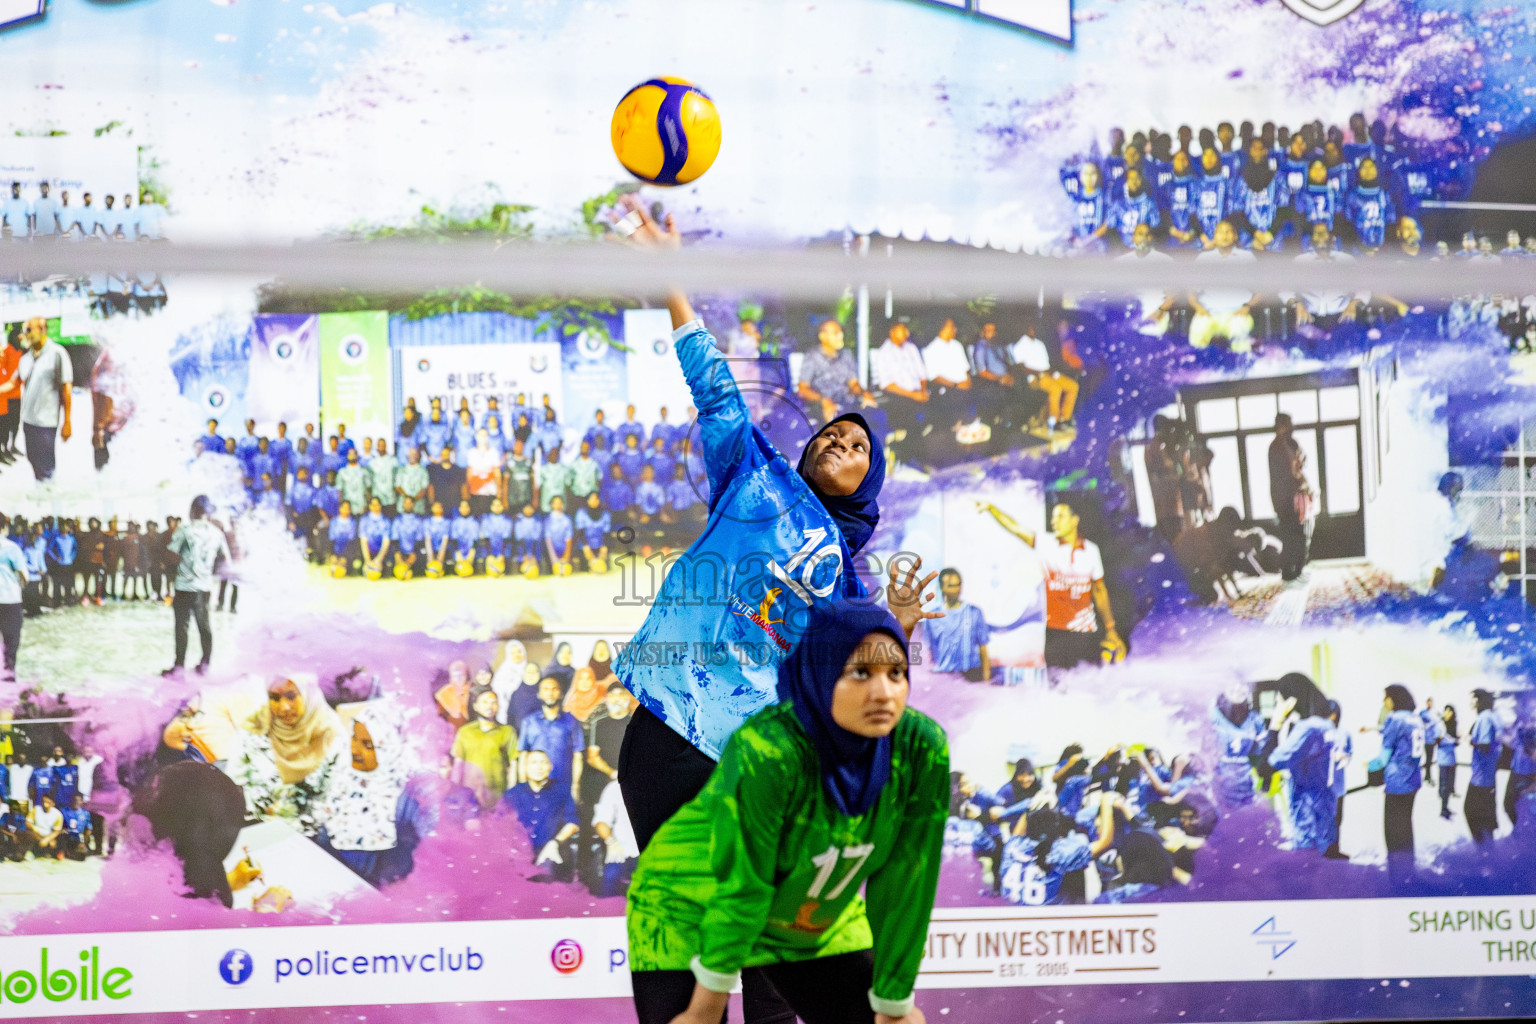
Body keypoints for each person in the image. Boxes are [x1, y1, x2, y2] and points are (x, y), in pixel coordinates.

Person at [609, 199, 938, 1020]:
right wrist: (668, 274)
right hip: (663, 736)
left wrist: (899, 625)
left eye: (861, 446)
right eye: (834, 433)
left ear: (872, 484)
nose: (842, 443)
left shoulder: (849, 588)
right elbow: (713, 383)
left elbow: (866, 694)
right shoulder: (752, 474)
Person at [625, 602, 946, 1024]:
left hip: (802, 902)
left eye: (896, 673)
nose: (884, 693)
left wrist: (894, 1003)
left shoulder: (921, 746)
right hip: (682, 899)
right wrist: (706, 1006)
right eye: (861, 673)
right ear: (820, 675)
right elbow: (746, 883)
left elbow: (907, 883)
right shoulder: (769, 749)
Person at [978, 499, 1124, 669]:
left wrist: (1110, 628)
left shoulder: (1091, 551)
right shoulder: (1046, 544)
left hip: (1085, 634)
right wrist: (991, 508)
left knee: (1086, 686)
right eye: (1053, 517)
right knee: (1057, 689)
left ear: (1074, 520)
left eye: (1060, 516)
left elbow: (1099, 591)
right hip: (1056, 634)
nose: (1054, 521)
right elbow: (1015, 528)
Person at [315, 700, 426, 887]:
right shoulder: (343, 782)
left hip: (381, 895)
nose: (356, 750)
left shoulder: (406, 797)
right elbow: (324, 841)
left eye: (367, 744)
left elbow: (420, 863)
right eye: (355, 739)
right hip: (335, 883)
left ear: (388, 748)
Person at [230, 673, 344, 831]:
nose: (284, 707)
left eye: (291, 696)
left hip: (314, 839)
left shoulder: (331, 734)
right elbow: (234, 785)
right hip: (257, 830)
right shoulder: (254, 728)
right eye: (275, 698)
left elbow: (337, 800)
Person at [163, 496, 231, 677]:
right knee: (204, 625)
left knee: (182, 626)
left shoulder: (184, 530)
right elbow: (225, 559)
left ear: (192, 511)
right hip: (205, 586)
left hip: (184, 585)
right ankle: (205, 664)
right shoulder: (217, 533)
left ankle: (179, 666)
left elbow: (171, 554)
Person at [1265, 683, 1337, 855]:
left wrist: (1275, 724)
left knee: (1307, 856)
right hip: (1323, 798)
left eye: (1280, 699)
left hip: (1306, 801)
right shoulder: (1326, 724)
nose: (1277, 703)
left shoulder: (1306, 727)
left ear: (1292, 700)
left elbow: (1275, 760)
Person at [0, 317, 73, 482]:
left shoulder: (57, 353)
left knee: (46, 464)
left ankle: (48, 498)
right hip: (29, 422)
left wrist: (67, 421)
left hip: (46, 423)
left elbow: (66, 388)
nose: (25, 335)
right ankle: (41, 491)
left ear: (42, 329)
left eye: (28, 330)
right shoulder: (25, 359)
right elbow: (13, 382)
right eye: (24, 330)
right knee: (33, 459)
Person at [1367, 684, 1423, 883]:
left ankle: (1397, 879)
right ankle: (1409, 872)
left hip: (1397, 782)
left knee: (1393, 832)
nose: (1384, 702)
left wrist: (1369, 766)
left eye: (1386, 697)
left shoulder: (1395, 719)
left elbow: (1383, 759)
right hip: (1413, 779)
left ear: (1394, 698)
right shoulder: (1416, 718)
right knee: (1406, 828)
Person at [505, 748, 580, 881]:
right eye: (533, 763)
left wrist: (555, 843)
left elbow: (572, 823)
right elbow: (500, 824)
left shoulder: (562, 791)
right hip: (518, 852)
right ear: (526, 767)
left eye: (543, 763)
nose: (538, 767)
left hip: (550, 849)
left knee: (547, 877)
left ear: (550, 767)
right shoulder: (512, 793)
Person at [1188, 221, 1258, 351]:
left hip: (1237, 314)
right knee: (1196, 339)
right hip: (1208, 313)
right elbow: (1191, 292)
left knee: (1240, 343)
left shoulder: (1247, 257)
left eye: (1228, 232)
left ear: (1235, 236)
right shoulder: (1203, 259)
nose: (1224, 235)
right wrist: (1198, 308)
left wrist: (1247, 307)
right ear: (1214, 236)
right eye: (1220, 232)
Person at [797, 319, 878, 426]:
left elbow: (853, 383)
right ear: (822, 336)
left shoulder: (846, 354)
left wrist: (864, 394)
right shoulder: (812, 357)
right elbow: (803, 389)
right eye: (835, 333)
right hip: (823, 404)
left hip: (847, 402)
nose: (841, 336)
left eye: (840, 332)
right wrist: (823, 401)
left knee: (877, 416)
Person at [518, 675, 584, 803]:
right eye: (546, 689)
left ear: (560, 694)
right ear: (539, 694)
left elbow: (578, 756)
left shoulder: (571, 721)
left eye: (554, 689)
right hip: (535, 785)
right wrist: (523, 784)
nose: (550, 693)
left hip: (563, 784)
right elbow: (523, 755)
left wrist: (576, 786)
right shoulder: (529, 721)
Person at [451, 685, 517, 810]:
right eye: (485, 702)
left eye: (494, 703)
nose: (490, 706)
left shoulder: (507, 731)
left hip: (496, 796)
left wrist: (511, 793)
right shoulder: (465, 731)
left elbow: (513, 765)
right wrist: (455, 792)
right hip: (470, 796)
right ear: (475, 706)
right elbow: (458, 765)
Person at [923, 568, 991, 682]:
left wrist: (986, 679)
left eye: (958, 585)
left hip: (971, 675)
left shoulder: (974, 612)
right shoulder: (932, 617)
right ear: (941, 588)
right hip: (943, 677)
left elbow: (983, 649)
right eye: (951, 586)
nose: (956, 590)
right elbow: (928, 652)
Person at [1268, 414, 1313, 583]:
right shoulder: (1276, 447)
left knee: (1297, 533)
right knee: (1290, 534)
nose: (1291, 427)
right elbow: (1285, 473)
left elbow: (1301, 462)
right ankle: (1289, 570)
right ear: (1282, 425)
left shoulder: (1290, 443)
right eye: (1289, 424)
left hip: (1292, 496)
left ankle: (1296, 568)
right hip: (1284, 497)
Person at [871, 322, 931, 441]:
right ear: (892, 332)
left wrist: (923, 390)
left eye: (906, 330)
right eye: (902, 330)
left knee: (941, 400)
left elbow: (922, 373)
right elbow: (886, 384)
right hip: (899, 394)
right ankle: (909, 445)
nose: (907, 333)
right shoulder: (884, 353)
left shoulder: (911, 348)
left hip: (918, 392)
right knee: (909, 411)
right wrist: (913, 395)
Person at [1466, 688, 1500, 843]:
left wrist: (1471, 741)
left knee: (1471, 812)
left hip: (1481, 779)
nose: (1471, 702)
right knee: (1485, 815)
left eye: (1473, 698)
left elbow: (1485, 746)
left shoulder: (1484, 718)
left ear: (1480, 700)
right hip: (1487, 775)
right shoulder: (1490, 716)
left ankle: (1484, 850)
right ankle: (1487, 848)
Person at [0, 516, 26, 676]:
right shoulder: (12, 547)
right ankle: (9, 673)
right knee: (11, 640)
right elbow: (24, 576)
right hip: (9, 599)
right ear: (4, 527)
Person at [1503, 717, 1535, 827]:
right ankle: (1519, 829)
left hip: (1529, 775)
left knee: (1527, 809)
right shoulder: (1520, 723)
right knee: (1508, 804)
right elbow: (1513, 743)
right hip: (1515, 772)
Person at [357, 497, 393, 577]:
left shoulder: (386, 521)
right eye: (373, 505)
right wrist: (367, 560)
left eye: (377, 504)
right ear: (369, 506)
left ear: (380, 506)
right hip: (368, 553)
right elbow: (363, 541)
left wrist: (379, 560)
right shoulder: (364, 520)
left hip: (381, 553)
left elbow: (386, 542)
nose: (375, 507)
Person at [576, 491, 611, 571]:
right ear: (587, 501)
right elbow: (580, 533)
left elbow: (606, 533)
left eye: (596, 499)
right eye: (592, 499)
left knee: (602, 569)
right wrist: (586, 547)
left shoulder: (605, 514)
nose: (594, 501)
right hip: (586, 547)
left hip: (600, 546)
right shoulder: (581, 513)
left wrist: (604, 547)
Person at [1436, 704, 1460, 820]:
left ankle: (1446, 807)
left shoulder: (1453, 725)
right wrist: (1450, 740)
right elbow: (1438, 740)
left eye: (1449, 711)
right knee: (1444, 784)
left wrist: (1455, 740)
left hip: (1451, 758)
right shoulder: (1440, 724)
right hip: (1443, 758)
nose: (1447, 713)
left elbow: (1456, 742)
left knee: (1449, 784)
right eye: (1446, 711)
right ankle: (1443, 809)